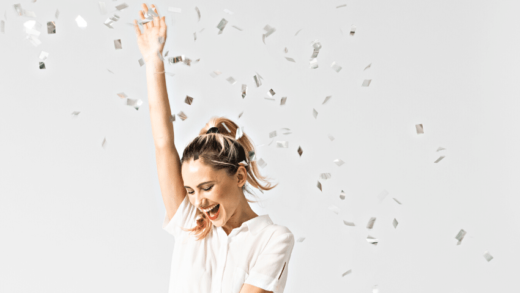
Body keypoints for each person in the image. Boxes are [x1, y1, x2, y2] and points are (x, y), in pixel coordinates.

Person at [133, 4, 295, 293]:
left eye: (206, 187)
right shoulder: (189, 222)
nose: (197, 201)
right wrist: (153, 60)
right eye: (191, 190)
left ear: (240, 176)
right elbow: (163, 144)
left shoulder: (273, 238)